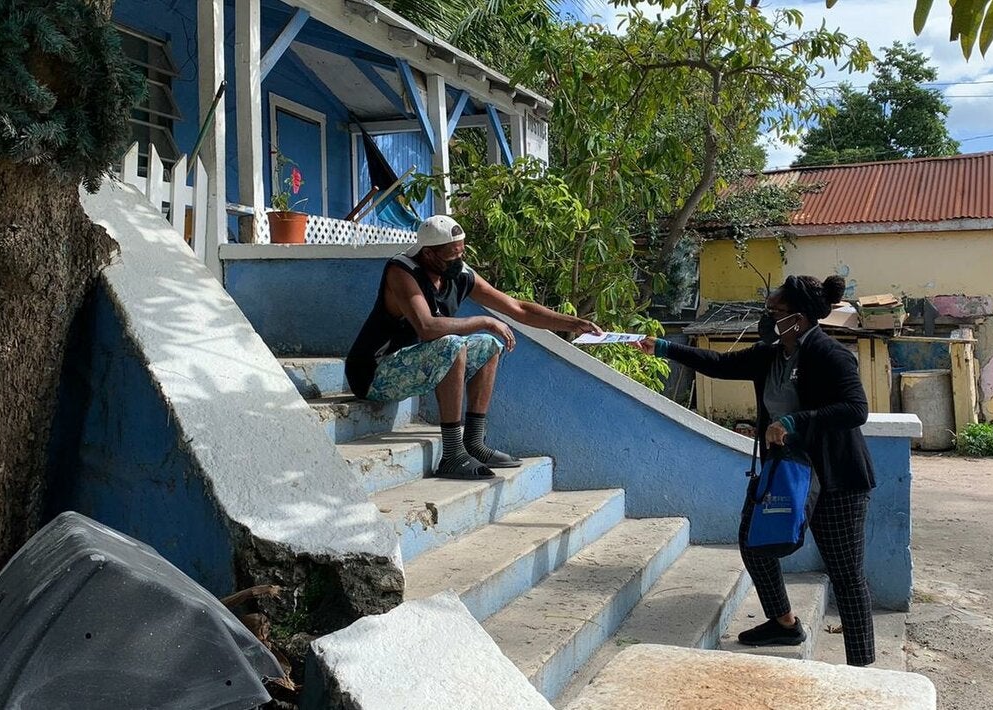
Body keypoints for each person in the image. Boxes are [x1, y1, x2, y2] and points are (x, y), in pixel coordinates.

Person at [636, 274, 878, 666]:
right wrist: (663, 347)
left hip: (835, 480)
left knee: (847, 575)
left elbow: (856, 410)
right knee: (755, 544)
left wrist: (796, 422)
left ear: (797, 319)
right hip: (785, 472)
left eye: (774, 312)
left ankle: (863, 668)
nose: (766, 319)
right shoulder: (770, 355)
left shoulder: (831, 355)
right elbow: (718, 363)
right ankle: (783, 623)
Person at [346, 215, 601, 480]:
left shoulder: (460, 275)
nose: (459, 260)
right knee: (451, 344)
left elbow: (517, 308)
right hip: (374, 375)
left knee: (489, 345)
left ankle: (474, 442)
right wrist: (485, 320)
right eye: (451, 256)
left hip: (411, 366)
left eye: (461, 252)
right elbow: (427, 327)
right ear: (429, 254)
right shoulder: (402, 271)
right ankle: (452, 454)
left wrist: (574, 324)